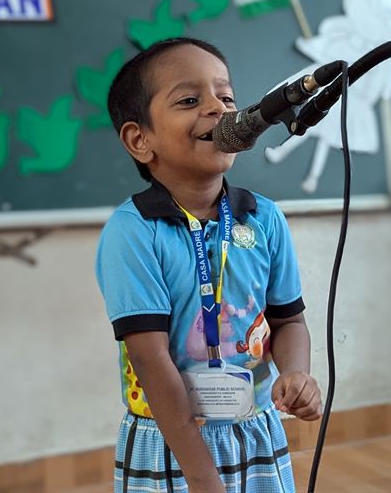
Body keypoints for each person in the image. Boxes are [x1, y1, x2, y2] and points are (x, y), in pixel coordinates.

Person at [96, 37, 322, 493]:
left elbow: (289, 321)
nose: (218, 108)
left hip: (255, 429)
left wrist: (296, 372)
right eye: (189, 100)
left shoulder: (264, 218)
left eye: (226, 97)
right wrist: (201, 478)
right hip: (172, 440)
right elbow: (150, 358)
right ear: (140, 139)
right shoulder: (133, 231)